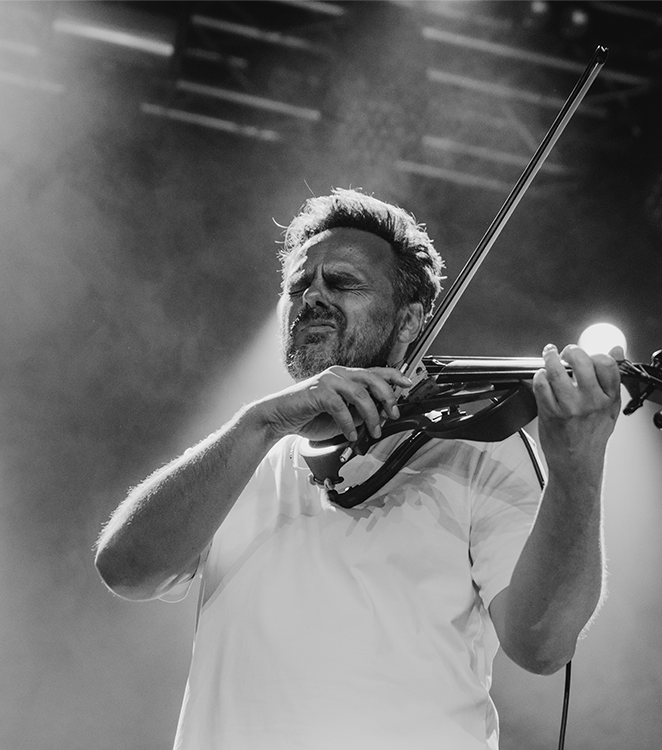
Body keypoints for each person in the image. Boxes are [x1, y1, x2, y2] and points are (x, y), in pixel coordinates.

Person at [95, 188, 623, 750]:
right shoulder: (245, 456)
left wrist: (577, 467)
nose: (313, 297)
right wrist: (260, 424)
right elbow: (126, 568)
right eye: (299, 286)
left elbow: (541, 644)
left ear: (409, 322)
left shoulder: (476, 449)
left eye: (342, 283)